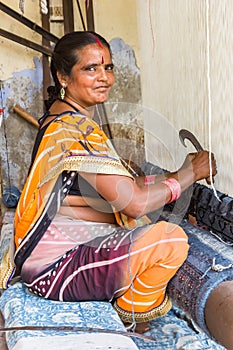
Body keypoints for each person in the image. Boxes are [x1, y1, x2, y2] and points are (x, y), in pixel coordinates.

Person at [14, 31, 217, 334]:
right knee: (169, 240)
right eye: (90, 68)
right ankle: (133, 318)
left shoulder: (62, 119)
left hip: (57, 255)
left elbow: (119, 186)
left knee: (140, 223)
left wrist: (177, 173)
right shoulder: (73, 129)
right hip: (54, 269)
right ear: (63, 77)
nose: (104, 77)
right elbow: (133, 203)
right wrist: (190, 174)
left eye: (108, 67)